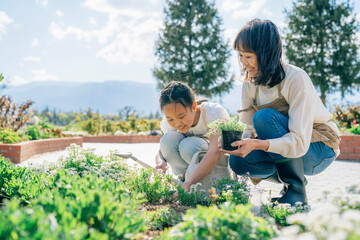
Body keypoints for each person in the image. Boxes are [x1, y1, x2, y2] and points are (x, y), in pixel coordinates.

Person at [219, 19, 341, 206]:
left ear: (265, 53)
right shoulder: (249, 84)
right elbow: (246, 128)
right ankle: (291, 182)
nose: (243, 63)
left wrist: (259, 144)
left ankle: (296, 190)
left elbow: (300, 143)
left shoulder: (295, 78)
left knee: (264, 117)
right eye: (240, 56)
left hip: (319, 149)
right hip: (290, 149)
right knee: (239, 162)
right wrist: (236, 144)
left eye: (248, 56)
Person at [155, 81, 230, 192]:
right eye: (170, 119)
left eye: (181, 116)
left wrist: (189, 182)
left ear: (194, 106)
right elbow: (162, 150)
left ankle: (189, 182)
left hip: (214, 160)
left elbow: (215, 152)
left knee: (188, 145)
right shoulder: (169, 122)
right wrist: (160, 163)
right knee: (167, 139)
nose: (177, 123)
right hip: (190, 166)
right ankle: (184, 179)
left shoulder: (212, 112)